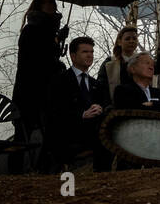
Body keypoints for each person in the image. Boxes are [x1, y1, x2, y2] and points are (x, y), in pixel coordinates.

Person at [11, 0, 67, 171]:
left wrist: (57, 41)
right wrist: (56, 42)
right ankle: (15, 172)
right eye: (47, 1)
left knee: (49, 131)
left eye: (53, 2)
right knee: (23, 134)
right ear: (39, 5)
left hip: (48, 92)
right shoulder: (31, 30)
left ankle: (43, 170)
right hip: (29, 91)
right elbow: (37, 61)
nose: (51, 5)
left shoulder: (50, 32)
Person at [47, 36, 112, 172]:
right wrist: (82, 114)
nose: (90, 55)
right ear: (73, 56)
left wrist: (100, 108)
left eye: (92, 52)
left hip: (96, 131)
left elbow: (106, 103)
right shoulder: (60, 81)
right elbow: (55, 111)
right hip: (69, 133)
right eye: (85, 52)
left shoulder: (95, 84)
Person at [98, 24, 160, 100]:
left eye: (134, 39)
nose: (131, 41)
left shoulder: (143, 61)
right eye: (127, 39)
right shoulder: (109, 64)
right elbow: (101, 87)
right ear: (119, 42)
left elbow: (159, 67)